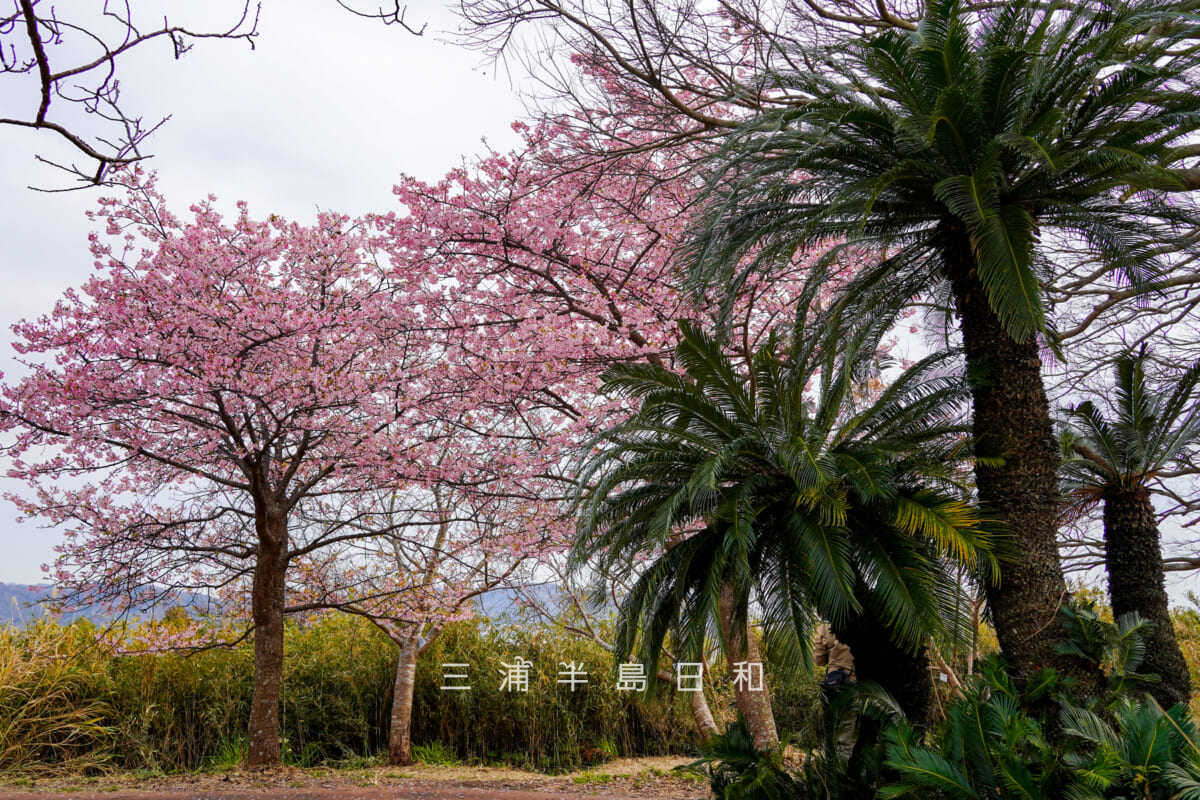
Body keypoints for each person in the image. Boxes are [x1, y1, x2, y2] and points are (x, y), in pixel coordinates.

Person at [813, 622, 855, 759]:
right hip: (858, 683)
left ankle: (831, 774)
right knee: (847, 734)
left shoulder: (827, 624)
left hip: (833, 682)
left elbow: (818, 659)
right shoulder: (866, 615)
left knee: (831, 733)